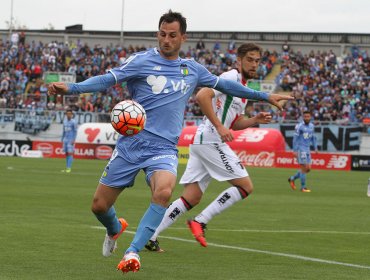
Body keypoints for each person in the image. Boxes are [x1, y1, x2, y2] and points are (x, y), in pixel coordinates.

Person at [48, 10, 293, 274]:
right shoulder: (140, 61)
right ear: (158, 34)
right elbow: (108, 80)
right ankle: (115, 228)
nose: (166, 40)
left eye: (172, 35)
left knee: (164, 192)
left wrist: (264, 97)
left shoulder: (192, 69)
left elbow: (227, 87)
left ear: (182, 38)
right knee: (99, 206)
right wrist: (72, 88)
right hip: (131, 146)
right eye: (162, 34)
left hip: (163, 149)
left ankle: (133, 252)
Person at [145, 43, 273, 251]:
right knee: (245, 186)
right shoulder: (231, 77)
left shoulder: (243, 89)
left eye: (257, 61)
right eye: (249, 59)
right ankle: (200, 221)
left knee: (192, 196)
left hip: (204, 140)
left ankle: (150, 236)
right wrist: (220, 126)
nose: (254, 64)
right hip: (210, 140)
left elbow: (235, 122)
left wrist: (255, 119)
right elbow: (202, 95)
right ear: (239, 61)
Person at [288, 111, 318, 192]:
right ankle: (303, 187)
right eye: (305, 116)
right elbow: (295, 139)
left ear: (310, 117)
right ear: (303, 117)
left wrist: (315, 147)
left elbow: (313, 137)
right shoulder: (299, 126)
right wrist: (295, 150)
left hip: (307, 149)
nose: (307, 118)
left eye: (308, 116)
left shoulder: (312, 126)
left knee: (308, 169)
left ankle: (292, 179)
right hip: (301, 150)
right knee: (304, 168)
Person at [61, 108, 77, 173]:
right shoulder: (64, 122)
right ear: (66, 114)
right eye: (67, 114)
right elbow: (63, 131)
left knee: (70, 153)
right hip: (65, 140)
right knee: (67, 153)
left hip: (71, 140)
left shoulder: (74, 122)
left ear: (72, 115)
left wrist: (73, 140)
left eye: (70, 114)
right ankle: (67, 167)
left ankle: (69, 168)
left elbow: (75, 131)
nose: (69, 115)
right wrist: (62, 139)